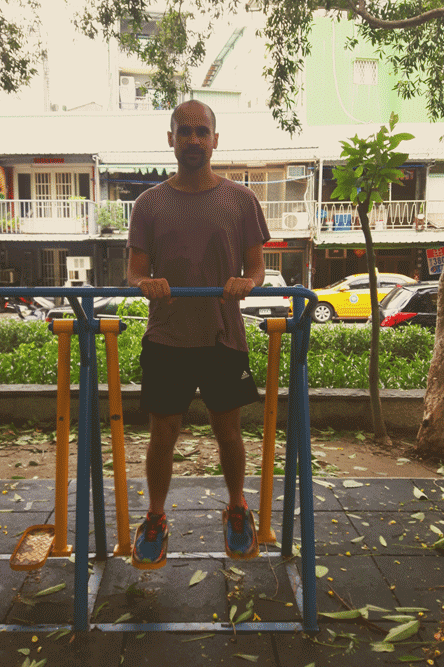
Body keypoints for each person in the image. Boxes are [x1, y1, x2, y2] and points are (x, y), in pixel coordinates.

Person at [126, 100, 271, 569]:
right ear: (171, 139)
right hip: (166, 337)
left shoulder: (240, 200)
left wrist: (247, 282)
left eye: (201, 131)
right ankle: (155, 517)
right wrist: (145, 283)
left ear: (215, 140)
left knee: (228, 431)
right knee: (162, 434)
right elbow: (134, 271)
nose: (193, 139)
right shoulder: (149, 203)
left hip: (222, 336)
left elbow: (257, 268)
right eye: (184, 131)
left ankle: (237, 507)